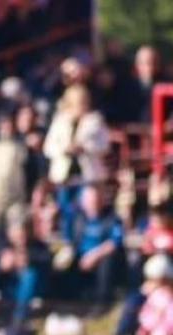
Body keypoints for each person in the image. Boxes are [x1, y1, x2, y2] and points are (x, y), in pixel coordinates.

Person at [44, 85, 110, 234]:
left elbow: (105, 145)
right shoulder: (60, 122)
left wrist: (85, 148)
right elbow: (49, 147)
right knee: (66, 209)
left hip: (87, 175)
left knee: (87, 209)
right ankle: (69, 239)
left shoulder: (95, 121)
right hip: (65, 175)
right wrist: (64, 149)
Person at [66, 185, 125, 308]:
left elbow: (115, 242)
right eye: (89, 200)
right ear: (83, 202)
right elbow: (70, 239)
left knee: (107, 262)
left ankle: (102, 303)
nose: (93, 203)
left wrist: (94, 256)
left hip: (102, 257)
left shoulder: (112, 218)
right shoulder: (77, 218)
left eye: (95, 200)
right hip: (81, 258)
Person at [0, 211, 50, 322]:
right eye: (17, 230)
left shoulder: (38, 247)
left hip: (33, 295)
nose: (21, 234)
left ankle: (18, 322)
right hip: (9, 294)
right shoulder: (3, 249)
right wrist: (1, 267)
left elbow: (46, 264)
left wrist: (28, 260)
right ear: (9, 232)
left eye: (24, 229)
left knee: (30, 275)